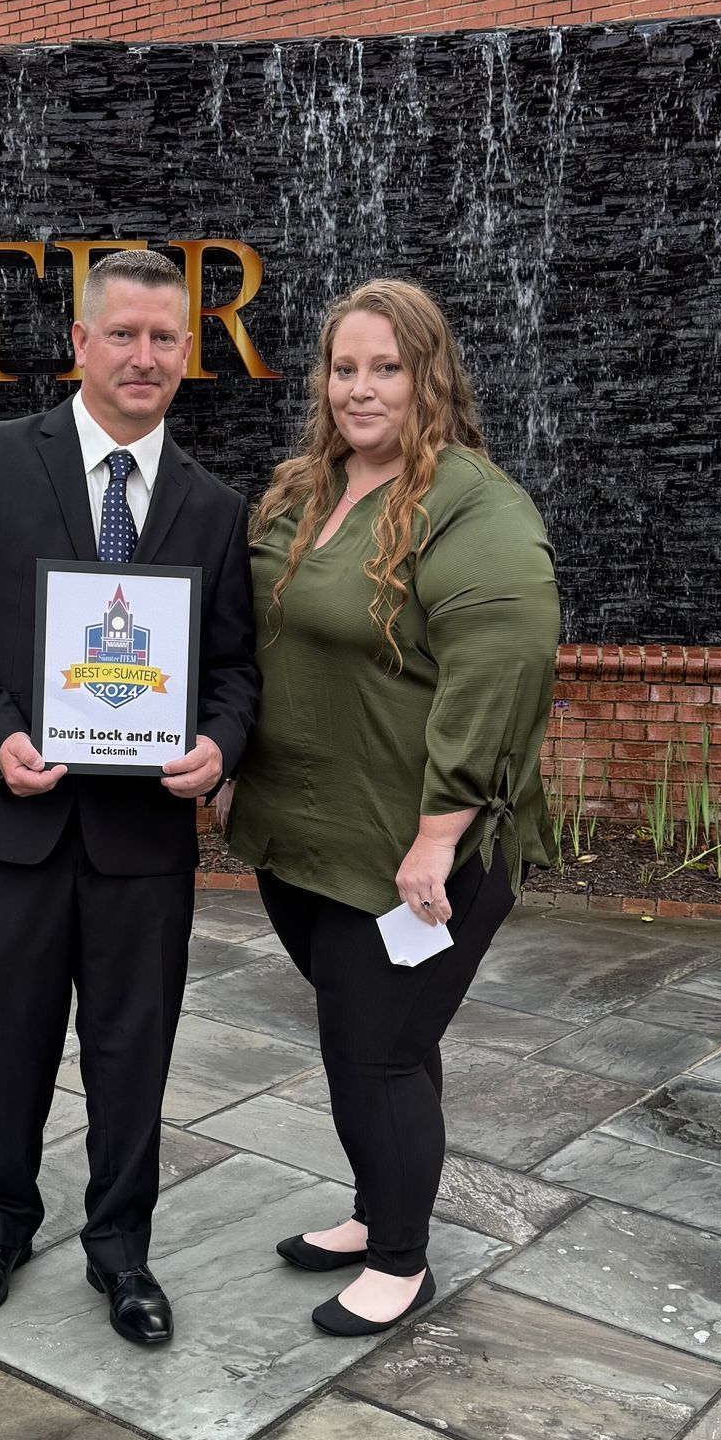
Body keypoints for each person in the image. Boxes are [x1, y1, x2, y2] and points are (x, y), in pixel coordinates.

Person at [0, 249, 259, 1346]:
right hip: (0, 826)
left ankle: (123, 1251)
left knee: (130, 1053)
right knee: (1, 1045)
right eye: (124, 334)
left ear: (187, 352)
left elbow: (238, 667)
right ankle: (0, 1226)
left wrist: (218, 744)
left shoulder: (213, 505)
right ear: (80, 342)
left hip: (139, 843)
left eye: (165, 338)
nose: (144, 356)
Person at [223, 278, 560, 1338]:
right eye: (343, 366)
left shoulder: (473, 505)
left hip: (415, 854)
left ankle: (403, 1258)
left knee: (375, 1050)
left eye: (386, 367)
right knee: (374, 1040)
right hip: (306, 838)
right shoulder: (302, 492)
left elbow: (505, 662)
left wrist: (440, 831)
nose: (360, 387)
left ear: (431, 375)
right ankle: (377, 1209)